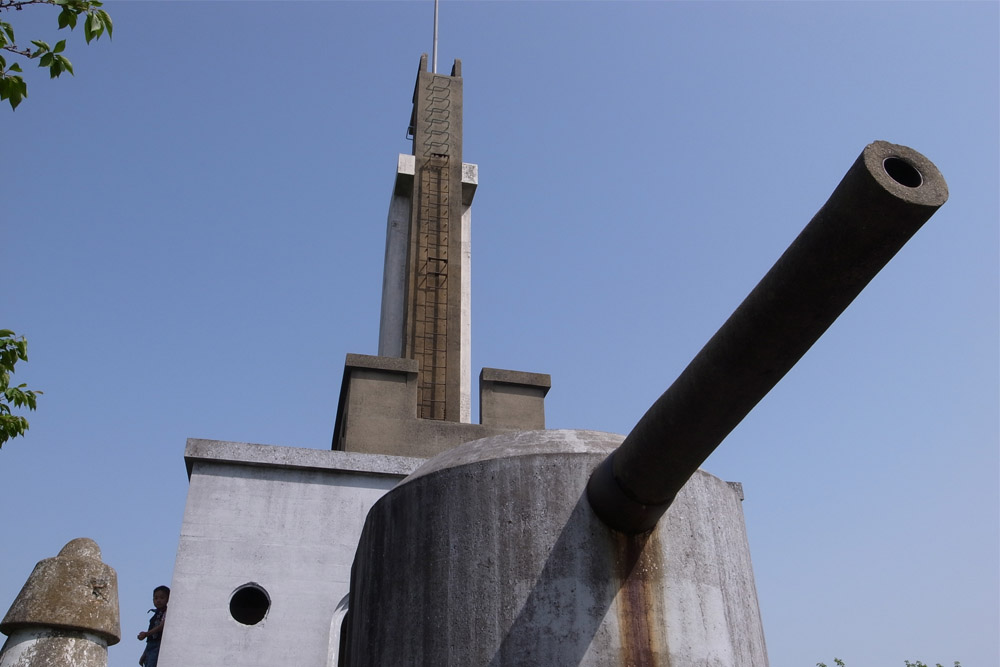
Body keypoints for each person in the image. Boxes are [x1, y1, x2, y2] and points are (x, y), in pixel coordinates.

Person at [138, 585, 169, 667]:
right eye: (156, 598)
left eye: (162, 598)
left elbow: (162, 626)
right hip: (151, 646)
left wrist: (146, 634)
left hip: (158, 645)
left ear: (168, 599)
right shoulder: (155, 615)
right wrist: (144, 654)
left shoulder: (166, 612)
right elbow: (150, 640)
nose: (158, 600)